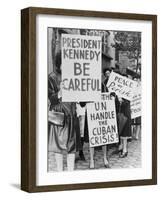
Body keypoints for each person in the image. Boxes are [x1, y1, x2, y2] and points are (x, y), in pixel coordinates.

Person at [48, 51, 77, 171]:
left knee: (72, 145)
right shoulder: (52, 77)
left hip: (72, 113)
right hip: (58, 114)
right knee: (57, 145)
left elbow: (81, 100)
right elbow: (50, 97)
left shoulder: (75, 76)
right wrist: (60, 93)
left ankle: (70, 172)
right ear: (59, 62)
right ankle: (60, 171)